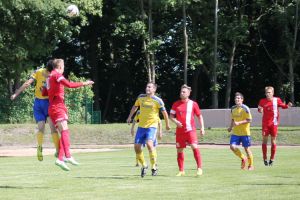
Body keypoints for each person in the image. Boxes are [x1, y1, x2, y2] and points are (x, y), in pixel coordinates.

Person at [45, 58, 94, 171]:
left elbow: (44, 92)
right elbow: (69, 85)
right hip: (58, 107)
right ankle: (63, 157)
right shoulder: (56, 75)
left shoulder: (48, 78)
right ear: (60, 67)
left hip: (52, 108)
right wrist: (85, 83)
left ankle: (65, 157)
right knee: (65, 132)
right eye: (63, 67)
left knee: (64, 132)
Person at [10, 60, 59, 161]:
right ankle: (58, 151)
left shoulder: (39, 71)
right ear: (53, 68)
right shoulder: (54, 75)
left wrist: (16, 94)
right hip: (48, 103)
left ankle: (40, 148)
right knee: (53, 129)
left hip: (38, 103)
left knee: (41, 128)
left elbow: (28, 83)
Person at [127, 82, 170, 178]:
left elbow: (165, 113)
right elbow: (135, 107)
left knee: (150, 144)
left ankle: (154, 166)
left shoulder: (158, 100)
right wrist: (130, 117)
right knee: (136, 147)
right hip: (141, 127)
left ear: (154, 89)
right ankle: (144, 166)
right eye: (147, 86)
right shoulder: (141, 97)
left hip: (152, 126)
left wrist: (167, 124)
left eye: (150, 87)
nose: (147, 88)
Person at [170, 84, 205, 177]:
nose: (182, 93)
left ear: (189, 93)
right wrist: (176, 122)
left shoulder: (193, 104)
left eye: (184, 92)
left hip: (190, 130)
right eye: (181, 91)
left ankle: (199, 168)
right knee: (179, 150)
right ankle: (181, 170)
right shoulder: (175, 104)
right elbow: (171, 116)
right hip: (180, 131)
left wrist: (202, 127)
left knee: (194, 146)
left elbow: (199, 116)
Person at [258, 86, 292, 166]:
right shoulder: (262, 101)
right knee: (264, 141)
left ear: (272, 93)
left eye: (269, 92)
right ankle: (265, 159)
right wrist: (260, 110)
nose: (267, 94)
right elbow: (259, 109)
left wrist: (288, 106)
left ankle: (272, 159)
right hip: (265, 124)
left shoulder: (277, 100)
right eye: (266, 92)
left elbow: (283, 106)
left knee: (273, 141)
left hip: (274, 124)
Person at [228, 92, 254, 170]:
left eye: (239, 98)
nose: (237, 99)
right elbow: (233, 119)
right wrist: (230, 127)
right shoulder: (233, 109)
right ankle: (243, 158)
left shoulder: (245, 108)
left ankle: (251, 165)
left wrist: (239, 123)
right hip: (236, 132)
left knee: (247, 149)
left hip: (245, 133)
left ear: (242, 100)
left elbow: (249, 120)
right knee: (232, 147)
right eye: (236, 98)